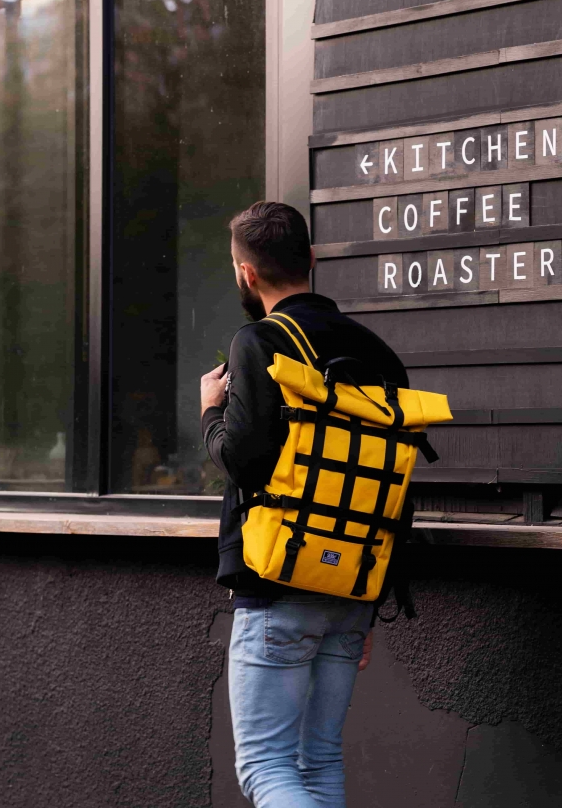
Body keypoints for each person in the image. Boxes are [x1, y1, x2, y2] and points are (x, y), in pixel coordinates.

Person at [200, 201, 408, 808]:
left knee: (265, 769)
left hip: (277, 582)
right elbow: (389, 480)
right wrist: (371, 599)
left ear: (246, 273)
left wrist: (210, 411)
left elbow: (242, 459)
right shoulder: (376, 351)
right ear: (311, 259)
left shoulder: (259, 341)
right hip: (353, 584)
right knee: (316, 763)